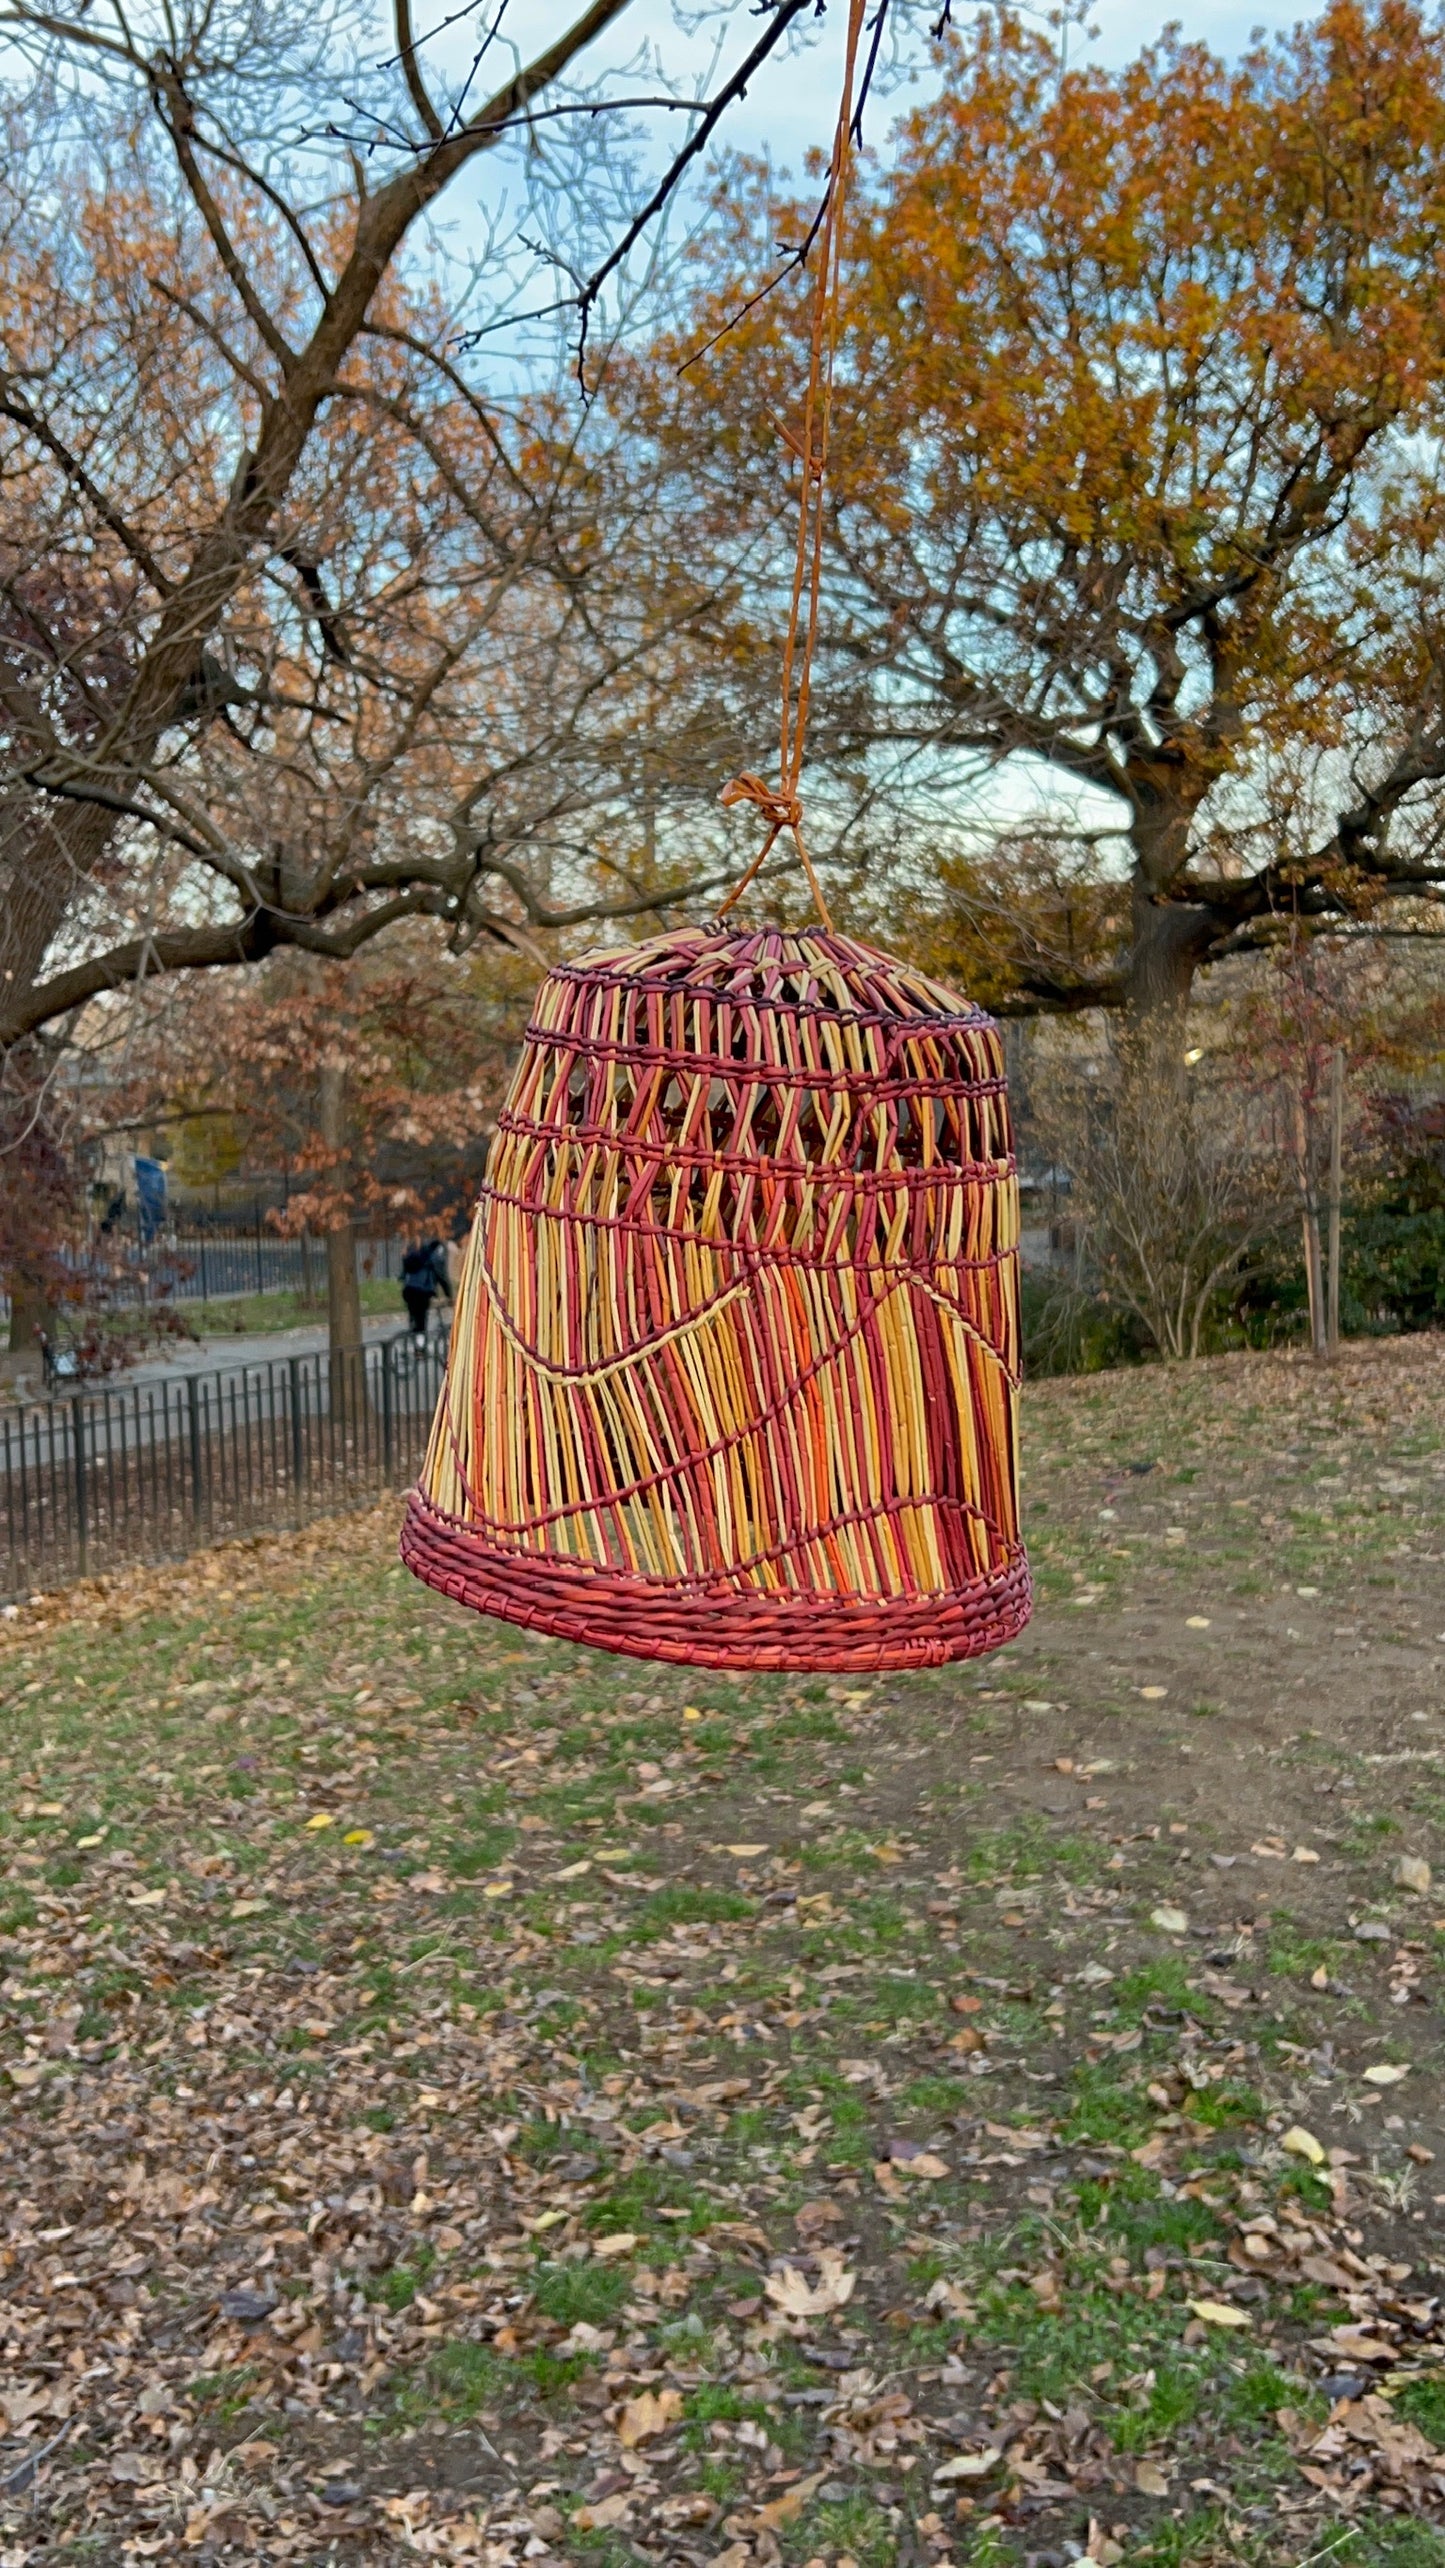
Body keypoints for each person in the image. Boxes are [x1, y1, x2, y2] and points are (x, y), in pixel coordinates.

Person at [400, 1239, 447, 1349]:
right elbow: (441, 1278)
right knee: (422, 1320)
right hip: (422, 1293)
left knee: (414, 1316)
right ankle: (420, 1348)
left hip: (408, 1290)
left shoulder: (418, 1256)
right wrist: (448, 1294)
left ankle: (413, 1333)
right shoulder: (432, 1259)